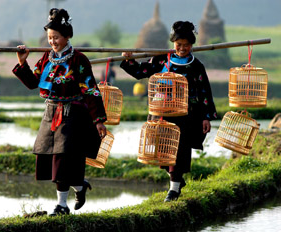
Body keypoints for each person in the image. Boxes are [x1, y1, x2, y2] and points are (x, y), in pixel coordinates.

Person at [12, 8, 107, 216]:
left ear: (67, 37)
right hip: (50, 113)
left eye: (56, 37)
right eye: (49, 38)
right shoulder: (46, 58)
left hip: (72, 115)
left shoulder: (79, 60)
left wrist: (98, 120)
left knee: (62, 159)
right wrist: (22, 62)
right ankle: (79, 186)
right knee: (50, 157)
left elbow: (90, 90)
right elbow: (32, 82)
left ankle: (62, 206)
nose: (52, 42)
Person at [120, 21, 217, 202]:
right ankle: (177, 179)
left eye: (186, 45)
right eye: (178, 45)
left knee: (179, 150)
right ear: (173, 43)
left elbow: (205, 92)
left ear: (192, 45)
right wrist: (129, 60)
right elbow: (142, 71)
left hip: (185, 116)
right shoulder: (162, 60)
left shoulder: (196, 66)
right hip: (162, 113)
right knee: (162, 149)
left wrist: (206, 117)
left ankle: (173, 190)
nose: (182, 48)